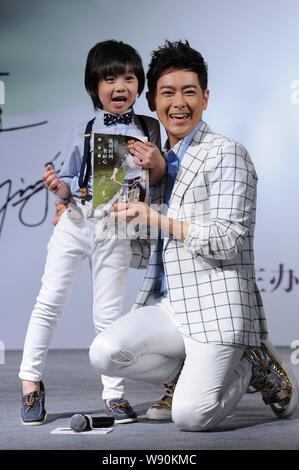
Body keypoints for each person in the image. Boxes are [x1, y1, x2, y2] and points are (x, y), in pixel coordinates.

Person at [88, 40, 298, 430]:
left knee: (191, 417)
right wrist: (82, 201)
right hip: (167, 304)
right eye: (167, 93)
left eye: (189, 92)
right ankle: (189, 374)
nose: (179, 103)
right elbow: (140, 244)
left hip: (216, 307)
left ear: (205, 97)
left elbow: (228, 240)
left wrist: (155, 216)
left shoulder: (226, 153)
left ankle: (248, 367)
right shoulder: (147, 159)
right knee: (104, 352)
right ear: (152, 101)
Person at [19, 40, 165, 426]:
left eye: (129, 78)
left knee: (109, 318)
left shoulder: (150, 128)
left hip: (117, 230)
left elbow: (159, 182)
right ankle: (30, 384)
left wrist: (157, 161)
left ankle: (114, 397)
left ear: (139, 85)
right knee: (49, 302)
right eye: (110, 78)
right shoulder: (82, 130)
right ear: (94, 86)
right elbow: (69, 181)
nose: (120, 86)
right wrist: (58, 188)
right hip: (76, 224)